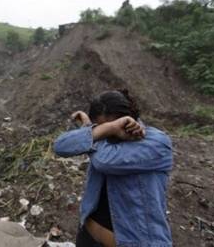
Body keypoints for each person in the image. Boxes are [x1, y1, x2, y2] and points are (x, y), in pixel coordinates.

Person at [53, 90, 173, 247]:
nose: (110, 133)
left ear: (130, 117)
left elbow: (105, 162)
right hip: (88, 237)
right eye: (104, 128)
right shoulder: (104, 140)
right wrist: (106, 128)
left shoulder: (156, 142)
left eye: (113, 126)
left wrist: (95, 132)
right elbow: (60, 146)